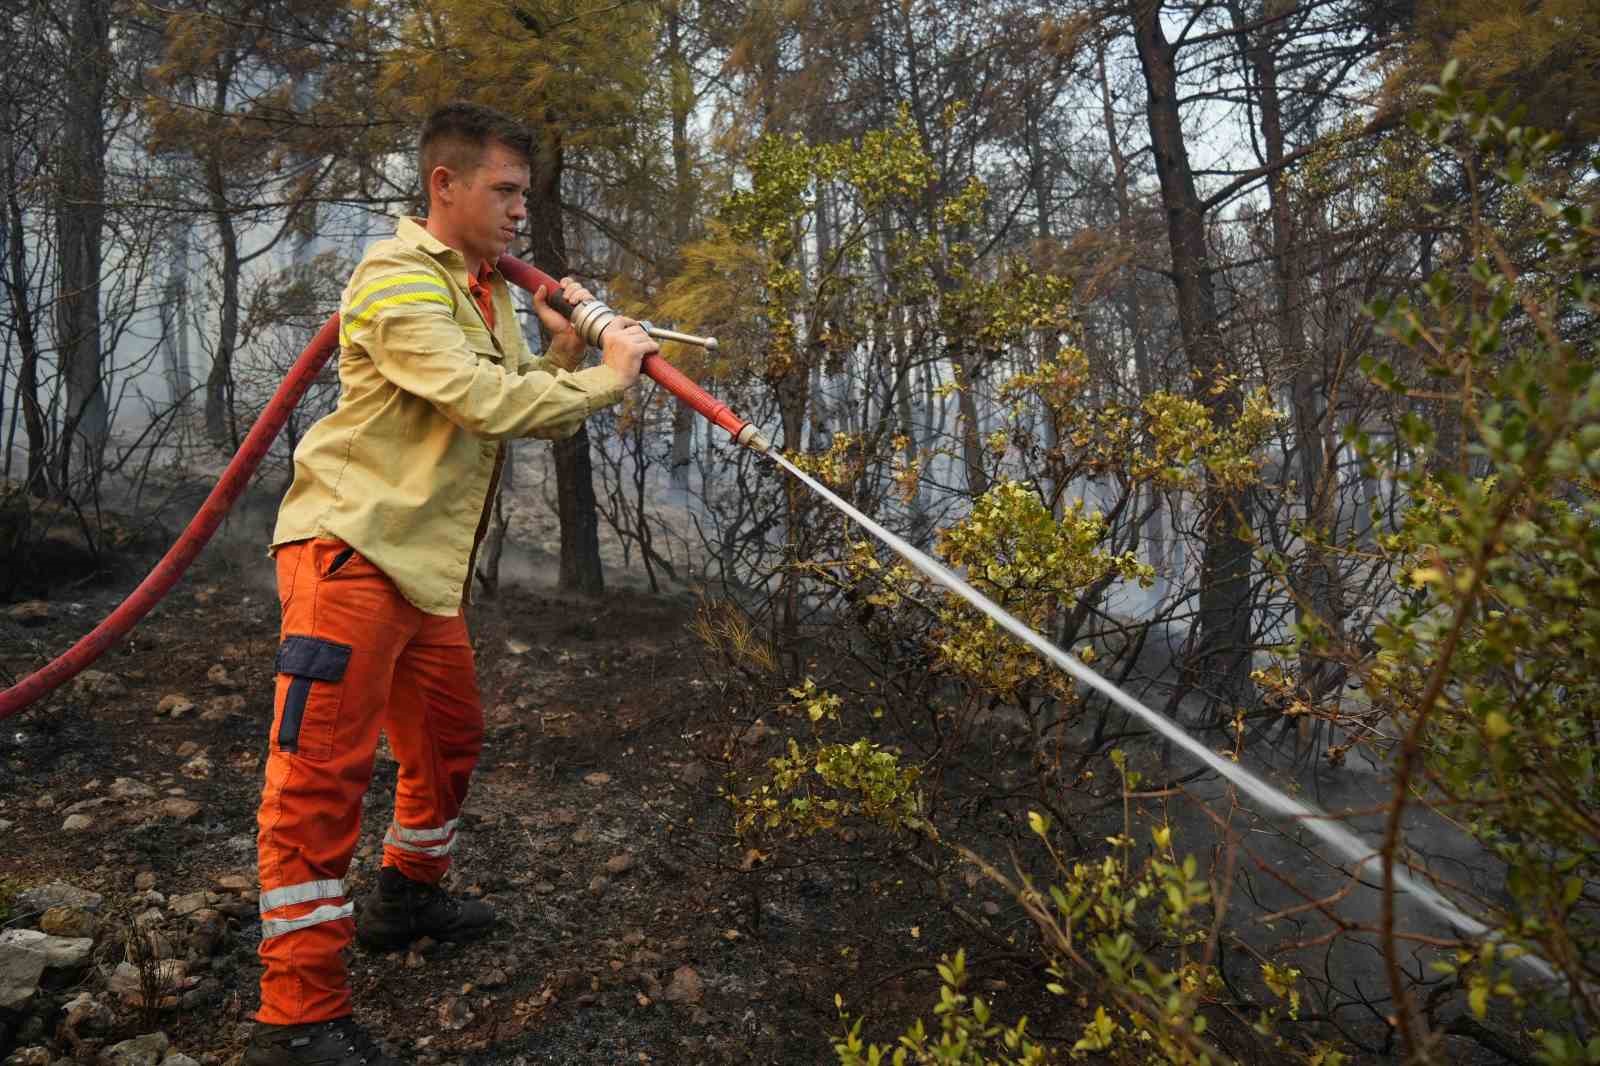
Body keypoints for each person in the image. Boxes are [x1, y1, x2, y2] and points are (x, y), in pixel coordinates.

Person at [243, 102, 658, 1066]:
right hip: (349, 555)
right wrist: (611, 374)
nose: (522, 214)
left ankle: (406, 899)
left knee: (449, 737)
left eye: (526, 195)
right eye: (506, 192)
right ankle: (296, 1016)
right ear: (446, 185)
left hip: (420, 574)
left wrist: (562, 347)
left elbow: (522, 406)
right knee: (318, 780)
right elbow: (482, 400)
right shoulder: (394, 279)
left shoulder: (484, 292)